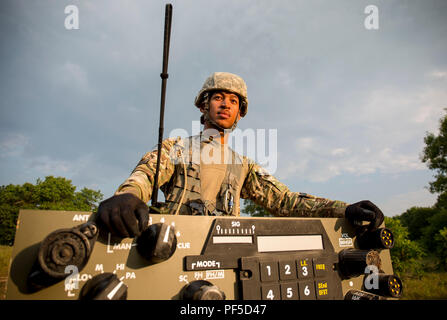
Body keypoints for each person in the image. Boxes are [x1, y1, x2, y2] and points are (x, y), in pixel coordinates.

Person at [96, 72, 384, 238]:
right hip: (172, 243)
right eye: (218, 98)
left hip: (227, 250)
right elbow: (147, 174)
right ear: (203, 106)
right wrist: (130, 195)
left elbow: (287, 202)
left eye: (233, 101)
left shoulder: (243, 166)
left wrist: (344, 209)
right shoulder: (178, 147)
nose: (225, 105)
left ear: (239, 112)